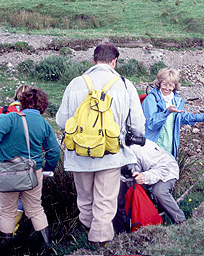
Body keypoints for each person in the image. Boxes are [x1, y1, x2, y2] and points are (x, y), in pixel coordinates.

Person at [56, 42, 146, 247]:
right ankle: (100, 242)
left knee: (85, 199)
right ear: (114, 62)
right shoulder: (124, 84)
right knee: (105, 200)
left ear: (93, 60)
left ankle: (87, 231)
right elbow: (138, 125)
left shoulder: (76, 83)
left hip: (79, 153)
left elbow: (61, 121)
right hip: (111, 153)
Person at [0, 87, 60, 247]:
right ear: (43, 106)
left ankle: (6, 249)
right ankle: (47, 246)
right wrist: (48, 169)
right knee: (35, 209)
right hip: (34, 172)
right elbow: (54, 151)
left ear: (22, 101)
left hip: (7, 171)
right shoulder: (44, 124)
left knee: (7, 211)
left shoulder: (10, 118)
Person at [113, 140, 185, 234]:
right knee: (118, 198)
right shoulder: (112, 155)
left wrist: (145, 177)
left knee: (159, 192)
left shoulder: (140, 149)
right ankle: (122, 234)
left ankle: (180, 221)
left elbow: (163, 167)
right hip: (140, 174)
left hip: (166, 171)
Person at [142, 68, 204, 159]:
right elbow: (152, 124)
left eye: (171, 85)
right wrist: (167, 112)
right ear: (159, 83)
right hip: (153, 146)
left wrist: (201, 117)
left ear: (175, 86)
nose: (167, 88)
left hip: (169, 146)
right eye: (164, 84)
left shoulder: (176, 100)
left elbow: (181, 117)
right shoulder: (151, 99)